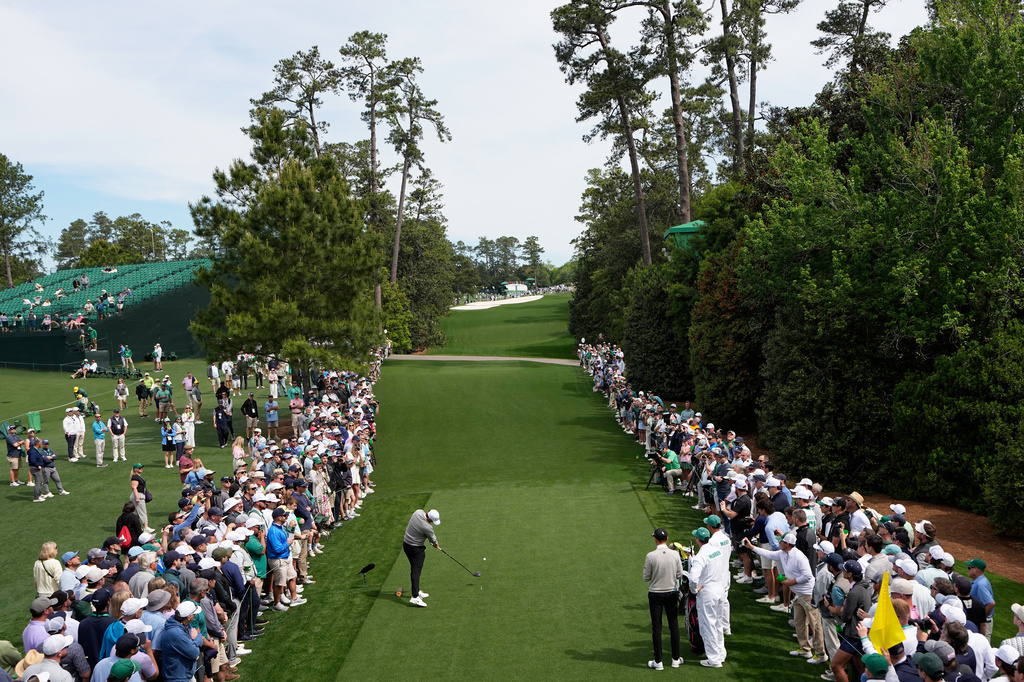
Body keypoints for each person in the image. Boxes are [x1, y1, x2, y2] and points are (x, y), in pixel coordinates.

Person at [644, 528, 684, 670]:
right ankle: (675, 659)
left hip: (655, 594)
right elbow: (679, 574)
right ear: (666, 539)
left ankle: (658, 661)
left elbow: (646, 577)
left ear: (655, 539)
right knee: (673, 625)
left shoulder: (650, 556)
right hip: (671, 593)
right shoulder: (675, 555)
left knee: (657, 626)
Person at [690, 527, 728, 668]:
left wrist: (694, 589)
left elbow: (694, 579)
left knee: (708, 625)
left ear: (698, 540)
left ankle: (714, 659)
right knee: (718, 623)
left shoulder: (700, 556)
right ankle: (720, 653)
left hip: (708, 593)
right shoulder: (716, 551)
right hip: (720, 589)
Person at [403, 509, 440, 608]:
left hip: (406, 545)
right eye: (432, 520)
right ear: (429, 518)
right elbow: (433, 540)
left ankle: (417, 590)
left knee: (414, 568)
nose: (432, 522)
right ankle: (414, 596)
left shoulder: (417, 512)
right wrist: (436, 545)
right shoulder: (428, 527)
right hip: (415, 549)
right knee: (416, 570)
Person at [160, 601, 201, 682]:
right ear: (189, 617)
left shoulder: (184, 624)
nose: (195, 616)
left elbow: (197, 634)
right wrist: (195, 640)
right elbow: (194, 653)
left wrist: (195, 639)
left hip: (184, 675)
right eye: (194, 614)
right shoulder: (177, 634)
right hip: (177, 677)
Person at [966, 558, 996, 641]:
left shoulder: (981, 584)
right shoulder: (979, 581)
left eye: (969, 568)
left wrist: (981, 619)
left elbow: (991, 603)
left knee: (982, 645)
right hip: (982, 621)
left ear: (976, 569)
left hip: (984, 622)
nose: (967, 570)